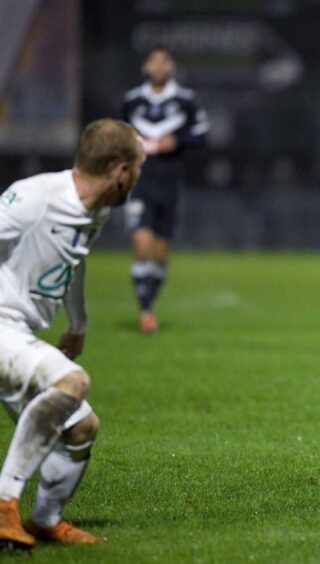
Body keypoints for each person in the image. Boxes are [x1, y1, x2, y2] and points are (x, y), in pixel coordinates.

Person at [0, 119, 145, 547]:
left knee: (81, 428)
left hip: (18, 332)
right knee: (73, 382)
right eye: (136, 169)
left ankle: (44, 521)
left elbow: (73, 262)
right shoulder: (34, 198)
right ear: (120, 171)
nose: (137, 179)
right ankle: (5, 503)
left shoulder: (94, 209)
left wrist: (77, 324)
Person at [123, 45, 209, 333]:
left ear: (170, 66)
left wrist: (178, 141)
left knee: (160, 253)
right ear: (146, 67)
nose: (159, 67)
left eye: (164, 61)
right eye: (153, 61)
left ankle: (150, 302)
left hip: (170, 182)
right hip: (140, 181)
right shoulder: (133, 100)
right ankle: (146, 311)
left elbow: (202, 134)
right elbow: (118, 136)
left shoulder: (185, 100)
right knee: (141, 245)